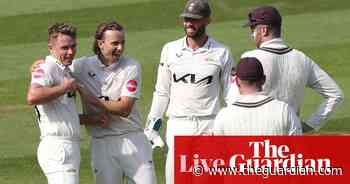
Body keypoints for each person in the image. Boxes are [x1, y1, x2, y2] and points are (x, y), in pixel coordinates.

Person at [31, 21, 156, 184]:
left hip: (132, 138)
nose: (120, 48)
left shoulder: (131, 66)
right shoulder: (81, 66)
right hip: (100, 142)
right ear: (100, 43)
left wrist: (91, 101)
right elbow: (53, 69)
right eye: (115, 43)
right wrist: (35, 67)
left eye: (122, 43)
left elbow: (125, 109)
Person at [145, 0, 234, 183]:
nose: (189, 23)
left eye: (195, 19)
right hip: (178, 125)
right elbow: (162, 92)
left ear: (208, 21)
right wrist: (151, 126)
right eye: (186, 19)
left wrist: (228, 128)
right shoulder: (170, 50)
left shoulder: (222, 53)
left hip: (209, 127)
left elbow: (230, 96)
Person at [227, 6, 344, 132]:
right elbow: (335, 95)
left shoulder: (250, 58)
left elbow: (233, 100)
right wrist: (310, 125)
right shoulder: (302, 58)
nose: (251, 34)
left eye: (253, 28)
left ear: (264, 30)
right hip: (291, 138)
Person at [27, 23, 81, 184]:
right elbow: (33, 96)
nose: (70, 52)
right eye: (65, 48)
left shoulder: (64, 69)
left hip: (69, 147)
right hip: (58, 147)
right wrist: (64, 87)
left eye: (73, 47)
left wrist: (92, 119)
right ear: (51, 47)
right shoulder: (46, 67)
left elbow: (63, 112)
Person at [214, 57, 302, 135]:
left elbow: (219, 152)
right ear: (263, 80)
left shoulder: (224, 116)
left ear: (237, 82)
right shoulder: (284, 110)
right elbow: (297, 149)